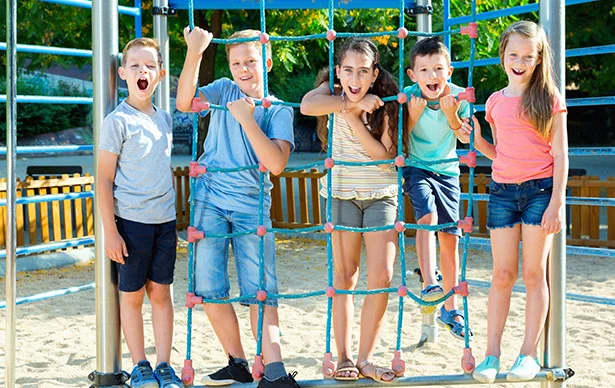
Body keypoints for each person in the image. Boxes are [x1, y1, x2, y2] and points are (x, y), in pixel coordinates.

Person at [176, 27, 299, 388]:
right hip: (209, 199)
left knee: (260, 288)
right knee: (208, 286)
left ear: (269, 63)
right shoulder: (223, 91)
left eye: (251, 61)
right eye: (236, 62)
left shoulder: (277, 110)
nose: (244, 68)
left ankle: (274, 369)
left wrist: (247, 119)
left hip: (251, 207)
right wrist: (195, 52)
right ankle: (236, 360)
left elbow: (276, 163)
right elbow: (185, 103)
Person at [300, 37, 408, 383]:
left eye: (363, 71)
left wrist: (355, 117)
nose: (355, 78)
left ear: (374, 73)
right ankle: (344, 356)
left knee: (381, 276)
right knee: (345, 276)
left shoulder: (388, 103)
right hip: (342, 194)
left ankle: (365, 357)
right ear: (338, 72)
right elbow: (305, 106)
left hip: (381, 193)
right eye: (348, 70)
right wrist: (345, 104)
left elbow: (382, 155)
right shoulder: (330, 96)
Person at [471, 20, 568, 383]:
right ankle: (491, 355)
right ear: (503, 56)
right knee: (502, 274)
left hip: (540, 193)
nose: (520, 61)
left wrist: (557, 202)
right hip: (502, 192)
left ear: (538, 57)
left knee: (532, 273)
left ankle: (527, 354)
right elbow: (500, 153)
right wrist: (478, 139)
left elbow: (561, 154)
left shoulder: (550, 99)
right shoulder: (495, 101)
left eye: (528, 56)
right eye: (514, 54)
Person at [97, 38, 183, 388]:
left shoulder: (164, 119)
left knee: (161, 294)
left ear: (160, 74)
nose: (142, 71)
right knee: (131, 297)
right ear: (122, 73)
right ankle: (140, 366)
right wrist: (110, 231)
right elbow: (103, 179)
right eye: (134, 65)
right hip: (130, 223)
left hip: (164, 222)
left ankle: (164, 365)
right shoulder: (118, 121)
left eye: (149, 66)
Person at [402, 37, 473, 340]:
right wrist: (414, 115)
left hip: (447, 172)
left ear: (450, 71)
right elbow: (397, 140)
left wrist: (451, 115)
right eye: (424, 70)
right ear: (412, 75)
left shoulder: (460, 97)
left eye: (438, 69)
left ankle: (450, 306)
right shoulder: (407, 97)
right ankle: (430, 282)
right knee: (427, 219)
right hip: (417, 166)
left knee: (450, 238)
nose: (432, 76)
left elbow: (466, 139)